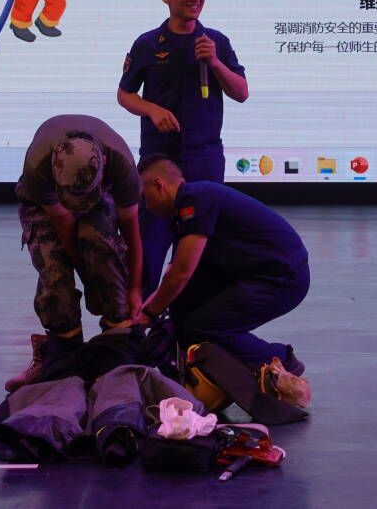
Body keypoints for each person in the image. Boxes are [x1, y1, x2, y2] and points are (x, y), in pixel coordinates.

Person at [117, 0, 248, 295]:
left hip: (205, 160)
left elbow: (241, 92)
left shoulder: (216, 41)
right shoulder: (148, 44)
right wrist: (151, 109)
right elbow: (124, 94)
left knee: (199, 252)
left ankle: (187, 323)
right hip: (160, 163)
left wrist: (214, 62)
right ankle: (139, 317)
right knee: (147, 247)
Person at [5, 115, 144, 391]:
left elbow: (132, 233)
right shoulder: (38, 167)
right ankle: (59, 359)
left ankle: (115, 359)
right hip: (42, 200)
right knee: (55, 277)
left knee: (105, 254)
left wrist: (134, 289)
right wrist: (89, 283)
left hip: (99, 192)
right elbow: (65, 227)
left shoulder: (122, 165)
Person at [132, 154, 308, 373]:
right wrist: (148, 307)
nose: (146, 206)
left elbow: (181, 273)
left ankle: (281, 359)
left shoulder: (196, 200)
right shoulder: (186, 209)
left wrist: (148, 315)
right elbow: (175, 273)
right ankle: (185, 371)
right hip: (259, 272)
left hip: (282, 278)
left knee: (202, 328)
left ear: (159, 185)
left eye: (145, 197)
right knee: (182, 310)